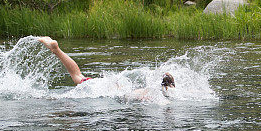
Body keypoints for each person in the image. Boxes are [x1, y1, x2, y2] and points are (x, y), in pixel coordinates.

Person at [36, 36, 175, 97]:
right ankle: (56, 50)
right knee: (77, 77)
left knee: (78, 76)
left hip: (102, 84)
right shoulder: (148, 94)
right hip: (104, 90)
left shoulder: (137, 89)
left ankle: (56, 50)